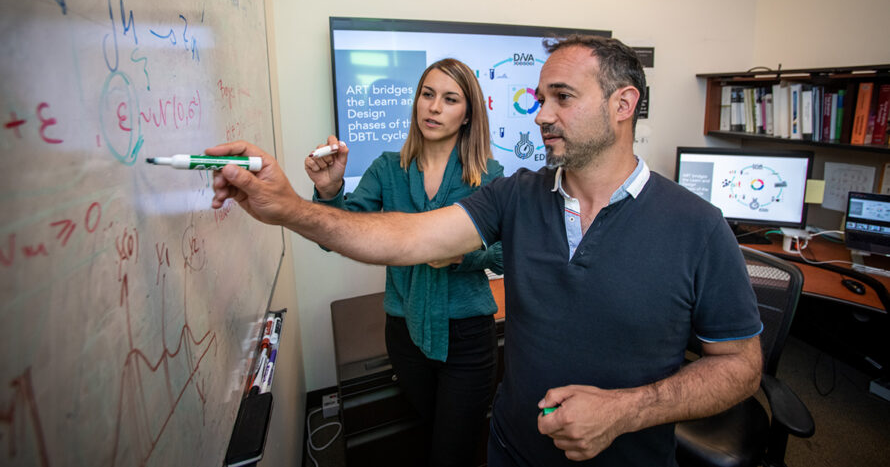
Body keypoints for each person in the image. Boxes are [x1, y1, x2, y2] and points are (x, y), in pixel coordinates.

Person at [208, 35, 763, 467]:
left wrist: (623, 411)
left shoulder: (698, 227)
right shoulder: (515, 195)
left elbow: (740, 367)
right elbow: (402, 236)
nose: (541, 114)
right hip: (511, 451)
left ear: (624, 104)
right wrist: (290, 207)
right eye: (541, 98)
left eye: (561, 98)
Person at [304, 58, 505, 467]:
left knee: (452, 451)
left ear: (468, 115)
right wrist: (330, 192)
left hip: (467, 337)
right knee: (430, 431)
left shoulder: (489, 176)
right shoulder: (386, 170)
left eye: (450, 99)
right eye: (427, 95)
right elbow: (338, 236)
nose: (433, 107)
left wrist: (462, 256)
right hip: (405, 334)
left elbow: (509, 251)